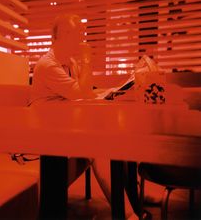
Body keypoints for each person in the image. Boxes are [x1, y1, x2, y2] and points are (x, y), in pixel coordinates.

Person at [30, 13, 158, 219]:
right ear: (62, 36)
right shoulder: (48, 65)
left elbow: (86, 91)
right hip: (45, 136)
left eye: (81, 35)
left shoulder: (70, 62)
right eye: (77, 35)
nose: (81, 41)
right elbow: (80, 93)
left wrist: (113, 90)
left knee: (114, 139)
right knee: (98, 148)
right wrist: (87, 60)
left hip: (64, 125)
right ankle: (128, 214)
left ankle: (135, 195)